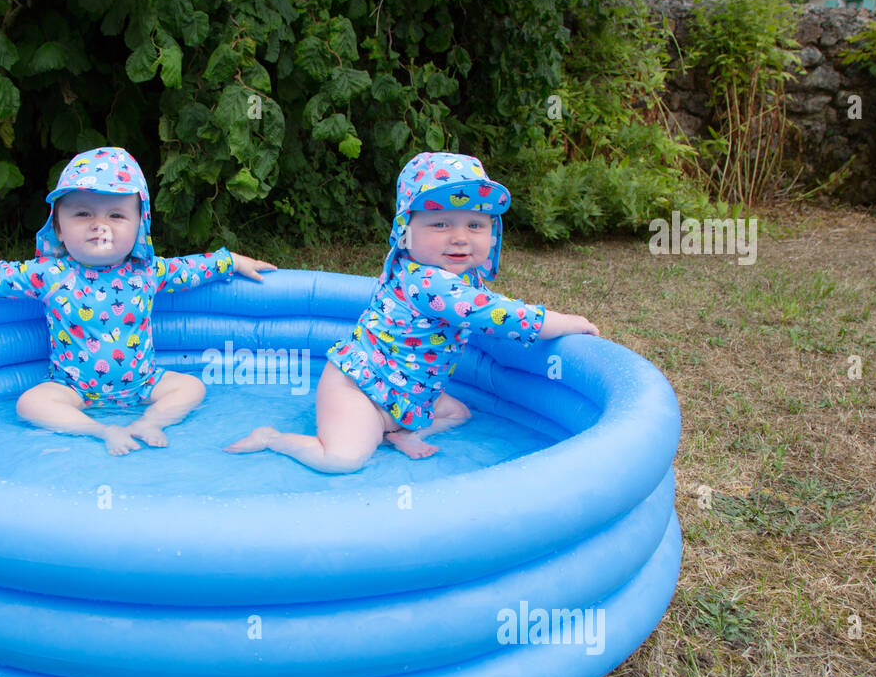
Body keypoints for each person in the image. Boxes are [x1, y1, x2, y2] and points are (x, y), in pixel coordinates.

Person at [0, 146, 276, 455]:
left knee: (191, 387)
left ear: (141, 224)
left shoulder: (147, 272)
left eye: (117, 216)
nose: (99, 225)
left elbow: (195, 268)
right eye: (83, 213)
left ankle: (151, 422)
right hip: (73, 390)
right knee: (31, 403)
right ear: (58, 223)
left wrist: (232, 261)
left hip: (145, 384)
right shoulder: (49, 275)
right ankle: (100, 430)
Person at [226, 150, 599, 473]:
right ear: (406, 232)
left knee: (458, 414)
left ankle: (402, 432)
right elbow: (497, 314)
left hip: (412, 394)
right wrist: (562, 322)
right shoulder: (425, 281)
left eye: (475, 224)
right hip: (360, 388)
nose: (460, 236)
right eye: (441, 223)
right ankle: (273, 438)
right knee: (342, 460)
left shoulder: (463, 278)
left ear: (493, 232)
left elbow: (484, 304)